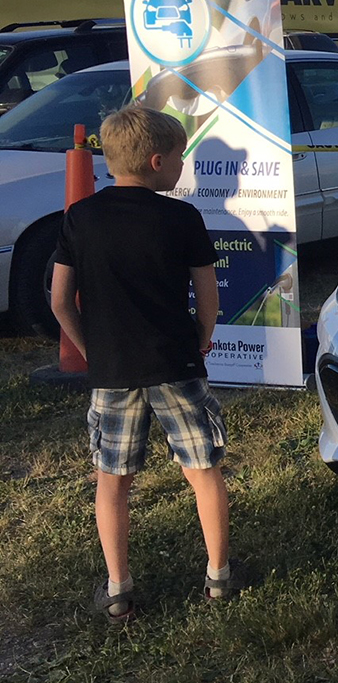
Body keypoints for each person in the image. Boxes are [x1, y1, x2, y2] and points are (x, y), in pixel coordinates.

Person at [51, 105, 234, 621]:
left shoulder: (79, 217)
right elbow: (207, 294)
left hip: (112, 373)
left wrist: (92, 352)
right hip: (177, 363)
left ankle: (117, 589)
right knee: (204, 471)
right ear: (158, 161)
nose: (182, 166)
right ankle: (219, 578)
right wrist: (202, 339)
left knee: (112, 482)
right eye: (180, 157)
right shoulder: (182, 216)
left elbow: (61, 301)